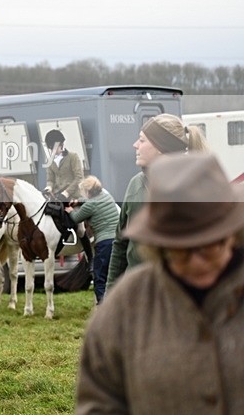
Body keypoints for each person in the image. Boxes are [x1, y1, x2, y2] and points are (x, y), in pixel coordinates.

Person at [76, 153, 244, 414]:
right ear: (159, 247)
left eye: (210, 247)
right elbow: (98, 400)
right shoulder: (127, 305)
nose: (197, 263)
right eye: (181, 252)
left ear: (232, 235)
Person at [105, 113, 209, 292]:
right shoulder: (135, 184)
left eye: (142, 140)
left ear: (160, 147)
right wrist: (109, 294)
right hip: (135, 294)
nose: (135, 145)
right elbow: (121, 244)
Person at [65, 176, 119, 303]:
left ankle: (102, 305)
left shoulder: (90, 206)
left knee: (99, 275)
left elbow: (77, 218)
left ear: (89, 192)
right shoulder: (107, 196)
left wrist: (70, 210)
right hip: (118, 240)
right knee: (114, 274)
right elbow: (91, 201)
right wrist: (79, 201)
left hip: (104, 243)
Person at [43, 129, 83, 201]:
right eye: (51, 148)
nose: (53, 151)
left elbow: (79, 177)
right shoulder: (49, 160)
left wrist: (66, 192)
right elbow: (50, 179)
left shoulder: (73, 156)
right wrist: (49, 187)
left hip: (73, 195)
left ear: (61, 145)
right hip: (57, 196)